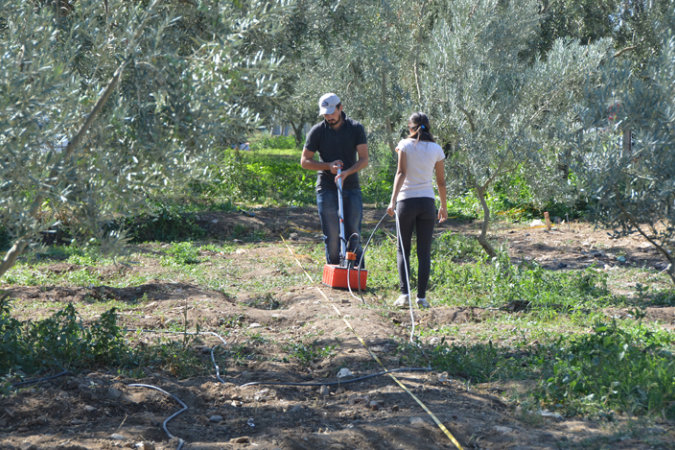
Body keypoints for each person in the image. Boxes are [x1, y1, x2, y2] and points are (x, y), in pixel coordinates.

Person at [387, 112, 447, 308]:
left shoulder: (404, 145)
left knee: (403, 250)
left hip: (406, 202)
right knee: (424, 252)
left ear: (410, 128)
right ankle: (421, 298)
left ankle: (405, 295)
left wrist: (392, 201)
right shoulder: (436, 149)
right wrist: (443, 206)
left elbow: (401, 173)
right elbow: (440, 181)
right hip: (427, 204)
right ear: (428, 127)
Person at [301, 93, 369, 267]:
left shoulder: (355, 128)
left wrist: (346, 172)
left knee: (353, 232)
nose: (329, 117)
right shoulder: (317, 131)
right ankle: (334, 272)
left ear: (341, 108)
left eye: (332, 112)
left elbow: (364, 159)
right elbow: (305, 162)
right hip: (326, 188)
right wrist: (328, 166)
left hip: (351, 187)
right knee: (332, 235)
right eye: (325, 113)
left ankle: (356, 272)